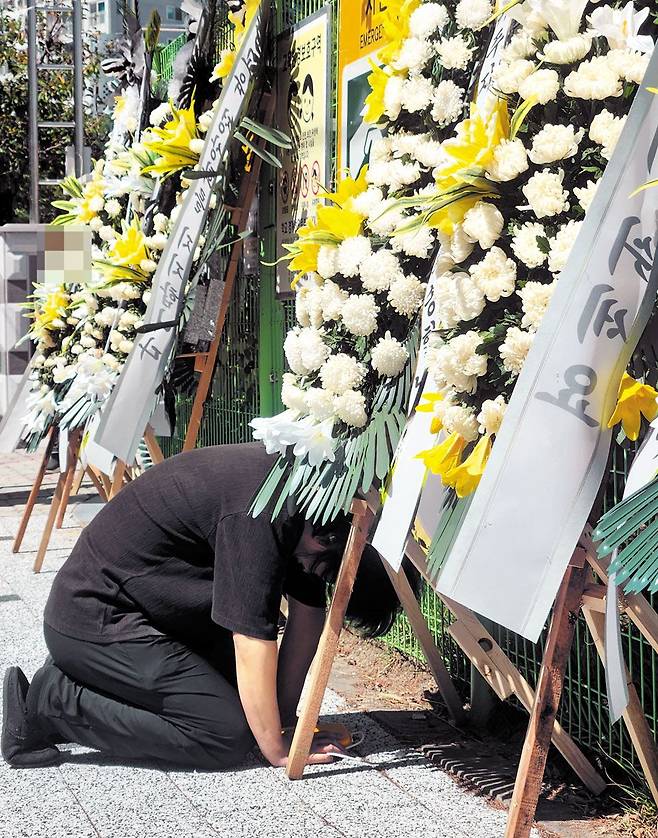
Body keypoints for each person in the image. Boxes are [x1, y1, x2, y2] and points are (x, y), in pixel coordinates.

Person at [2, 442, 420, 771]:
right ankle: (50, 702)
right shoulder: (260, 511)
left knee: (248, 706)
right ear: (328, 541)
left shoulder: (314, 501)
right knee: (223, 733)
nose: (313, 574)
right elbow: (251, 638)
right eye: (325, 571)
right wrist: (274, 749)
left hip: (148, 619)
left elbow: (307, 619)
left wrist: (285, 722)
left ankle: (92, 682)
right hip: (95, 620)